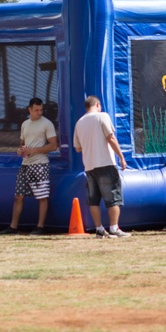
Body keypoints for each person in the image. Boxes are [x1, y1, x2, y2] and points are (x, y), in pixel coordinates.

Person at [73, 96, 129, 238]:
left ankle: (99, 229)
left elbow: (78, 148)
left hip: (89, 166)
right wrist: (121, 157)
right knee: (113, 197)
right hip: (105, 163)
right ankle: (114, 227)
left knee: (94, 199)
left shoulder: (79, 123)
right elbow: (111, 138)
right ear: (97, 105)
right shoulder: (102, 116)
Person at [1, 98, 58, 235]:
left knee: (42, 196)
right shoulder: (25, 124)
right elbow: (22, 143)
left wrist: (34, 150)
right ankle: (13, 227)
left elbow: (53, 145)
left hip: (40, 164)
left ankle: (40, 226)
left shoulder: (47, 124)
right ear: (30, 110)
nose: (39, 112)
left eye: (41, 110)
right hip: (25, 164)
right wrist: (20, 150)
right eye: (36, 110)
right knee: (18, 196)